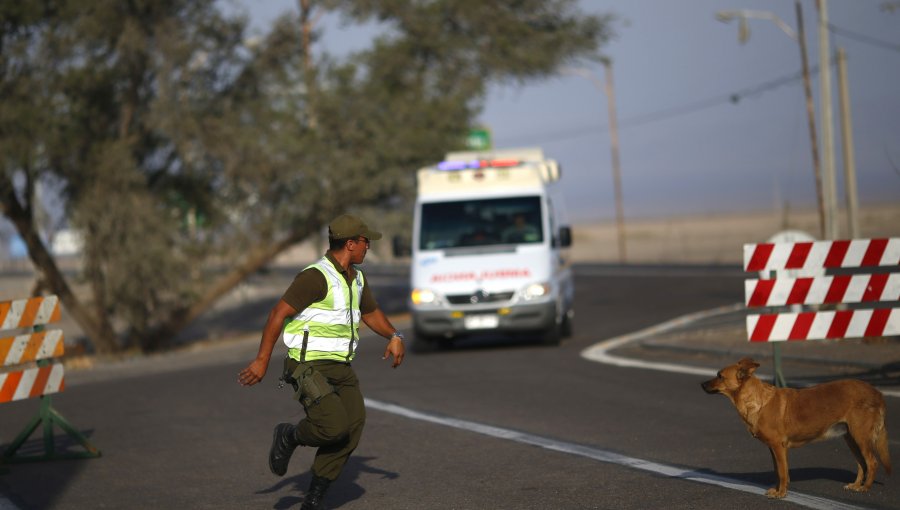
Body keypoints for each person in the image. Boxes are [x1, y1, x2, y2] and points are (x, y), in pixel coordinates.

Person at [238, 214, 405, 510]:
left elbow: (370, 313)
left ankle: (313, 499)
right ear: (351, 244)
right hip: (307, 365)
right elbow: (278, 314)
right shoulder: (315, 277)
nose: (368, 247)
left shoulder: (356, 278)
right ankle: (288, 435)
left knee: (353, 425)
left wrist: (394, 334)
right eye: (366, 242)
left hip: (340, 367)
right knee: (333, 426)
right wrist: (262, 361)